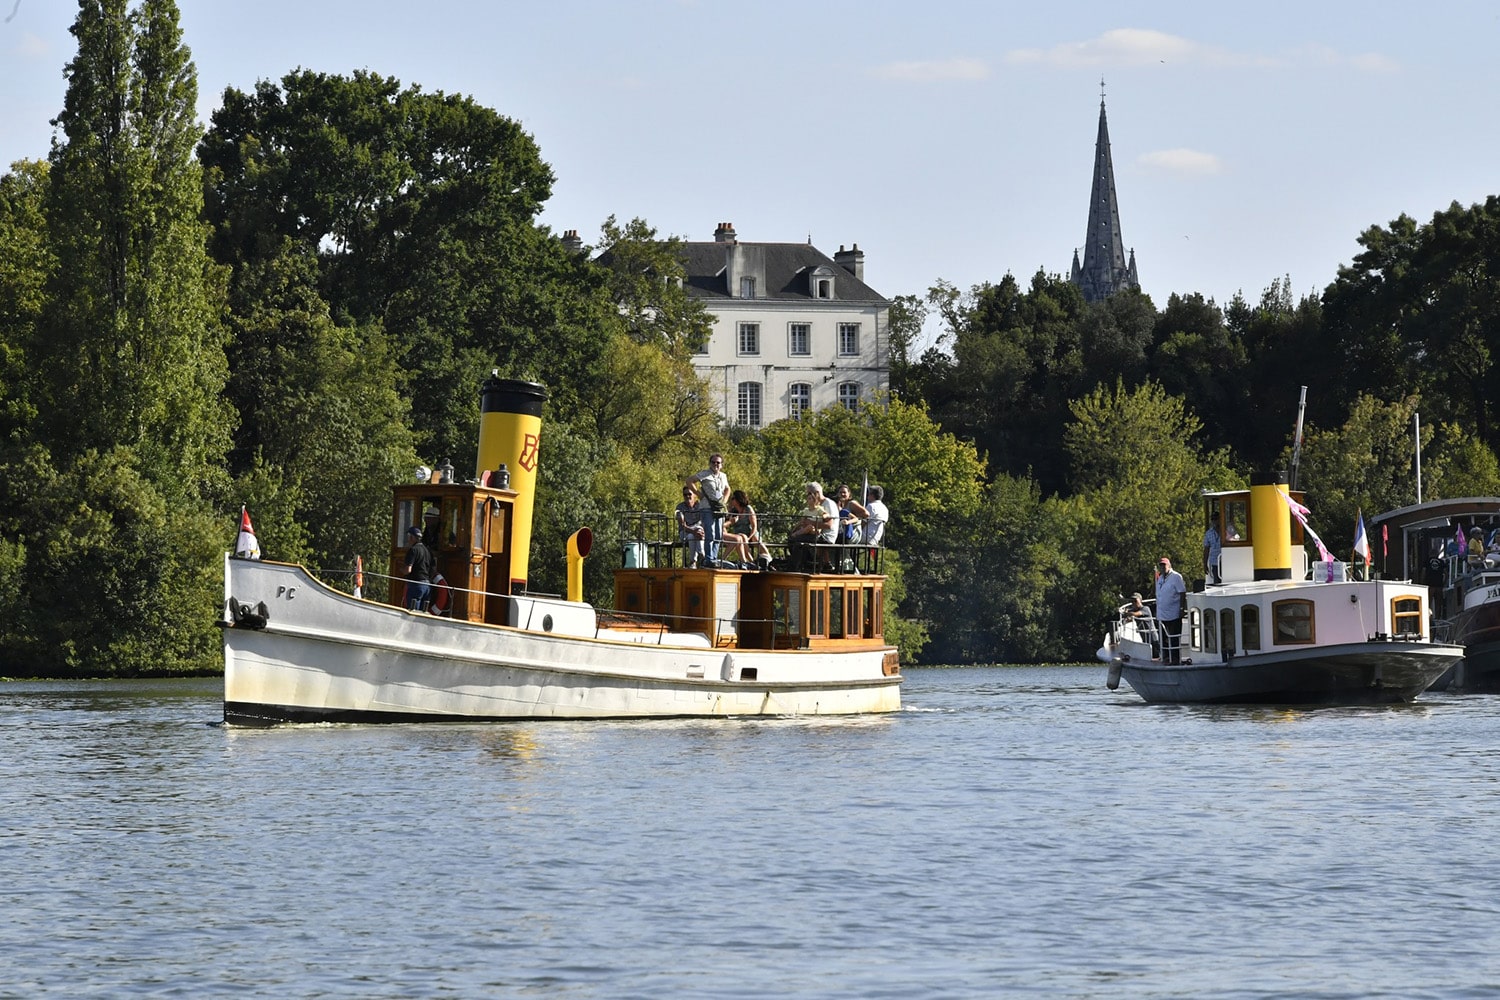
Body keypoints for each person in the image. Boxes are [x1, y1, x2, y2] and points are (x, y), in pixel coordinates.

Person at [688, 453, 730, 566]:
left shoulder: (723, 476)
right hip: (706, 507)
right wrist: (698, 494)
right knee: (710, 533)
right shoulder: (705, 474)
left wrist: (724, 501)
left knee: (718, 535)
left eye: (718, 462)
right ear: (710, 463)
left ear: (721, 465)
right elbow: (689, 481)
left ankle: (714, 558)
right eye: (713, 462)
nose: (715, 464)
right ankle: (709, 559)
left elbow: (727, 489)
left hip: (719, 508)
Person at [787, 481, 838, 571]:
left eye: (809, 493)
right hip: (815, 533)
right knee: (793, 538)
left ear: (817, 493)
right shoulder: (815, 506)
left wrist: (810, 522)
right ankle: (798, 564)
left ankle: (795, 567)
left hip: (825, 535)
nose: (808, 496)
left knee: (797, 540)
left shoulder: (827, 504)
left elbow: (829, 525)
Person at [724, 489, 772, 569]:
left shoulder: (748, 509)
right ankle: (751, 562)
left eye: (733, 498)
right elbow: (724, 525)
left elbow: (754, 526)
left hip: (750, 533)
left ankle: (767, 558)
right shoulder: (733, 511)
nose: (731, 500)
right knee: (743, 537)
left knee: (754, 538)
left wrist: (750, 537)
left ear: (738, 500)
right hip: (739, 534)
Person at [1154, 556, 1187, 665]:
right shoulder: (1160, 578)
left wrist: (1182, 608)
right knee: (1163, 638)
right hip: (1162, 614)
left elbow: (1182, 593)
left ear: (1169, 565)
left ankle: (1175, 659)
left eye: (1164, 565)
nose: (1162, 567)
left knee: (1174, 638)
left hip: (1174, 613)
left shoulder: (1176, 577)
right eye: (1161, 565)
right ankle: (1166, 657)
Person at [404, 525, 433, 611]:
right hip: (427, 586)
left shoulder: (413, 550)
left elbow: (408, 570)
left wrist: (401, 570)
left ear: (412, 537)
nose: (408, 539)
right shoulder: (427, 550)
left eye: (409, 537)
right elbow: (432, 568)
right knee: (422, 613)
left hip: (416, 584)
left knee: (413, 612)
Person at [676, 486, 706, 568]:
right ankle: (701, 557)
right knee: (691, 535)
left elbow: (704, 522)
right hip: (685, 531)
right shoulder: (680, 507)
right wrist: (694, 531)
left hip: (698, 531)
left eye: (689, 494)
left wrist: (699, 531)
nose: (687, 496)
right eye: (685, 495)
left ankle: (694, 560)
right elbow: (682, 525)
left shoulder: (701, 506)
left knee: (693, 535)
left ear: (695, 495)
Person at [1203, 519, 1223, 585]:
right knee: (1217, 581)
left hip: (1226, 560)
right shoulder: (1208, 533)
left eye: (1216, 518)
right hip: (1215, 561)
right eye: (1213, 519)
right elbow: (1206, 549)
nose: (1215, 521)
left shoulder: (1226, 531)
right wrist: (1205, 564)